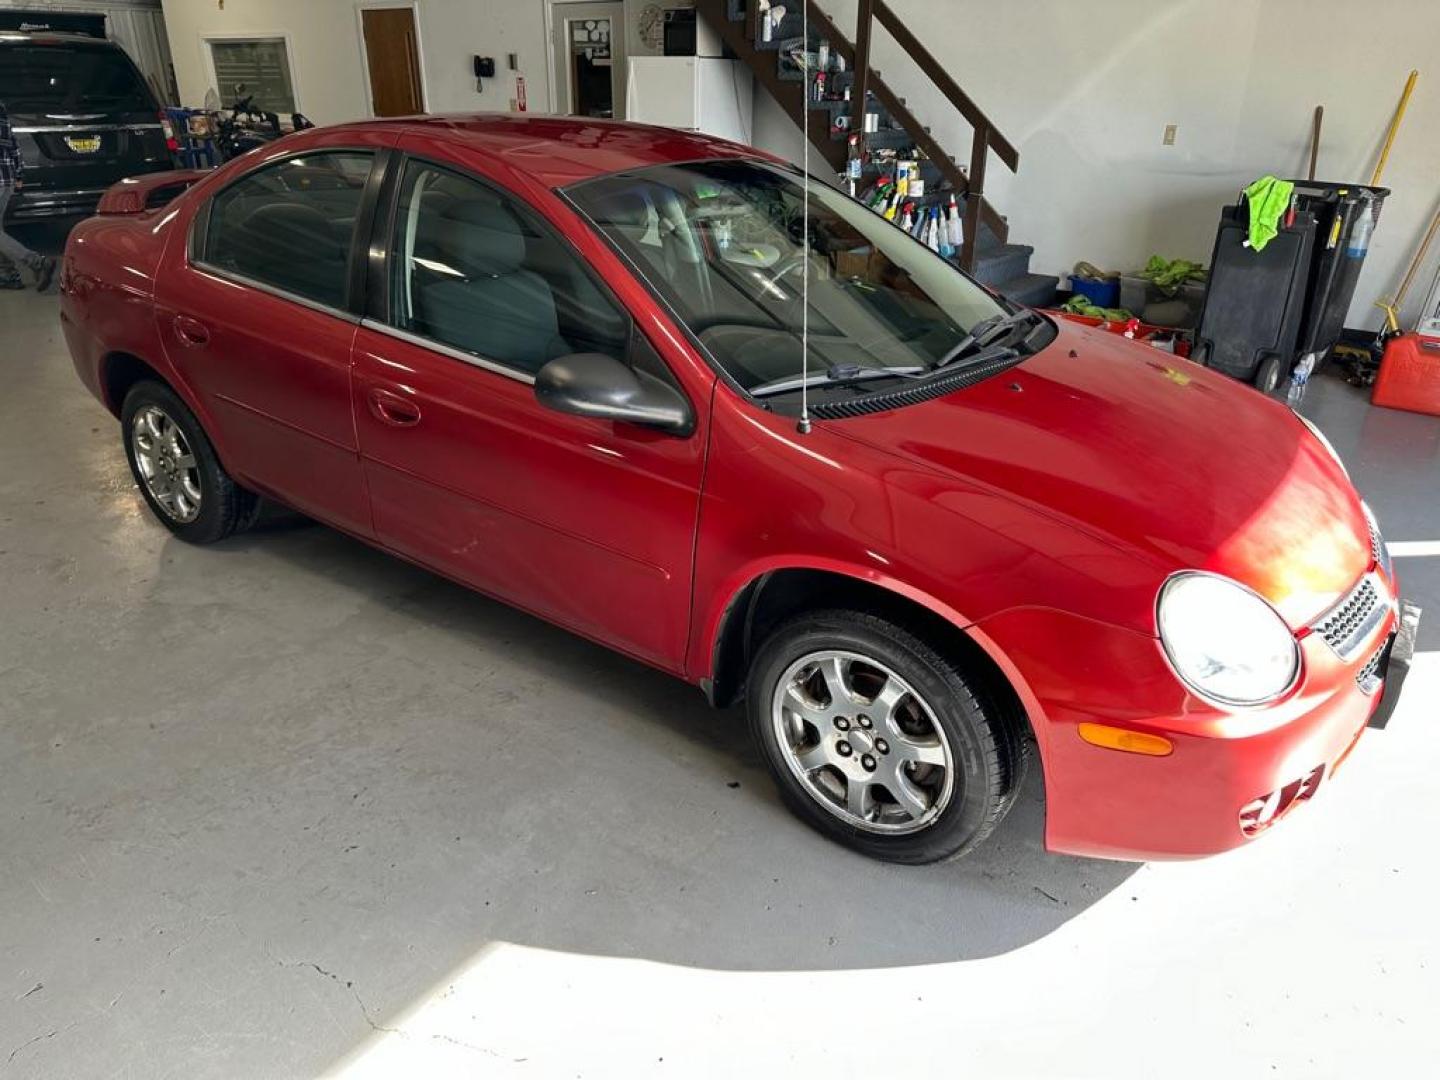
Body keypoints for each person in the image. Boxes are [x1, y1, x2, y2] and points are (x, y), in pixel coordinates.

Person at [0, 99, 56, 292]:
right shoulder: (2, 113)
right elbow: (14, 146)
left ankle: (37, 262)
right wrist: (19, 174)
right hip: (6, 179)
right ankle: (9, 275)